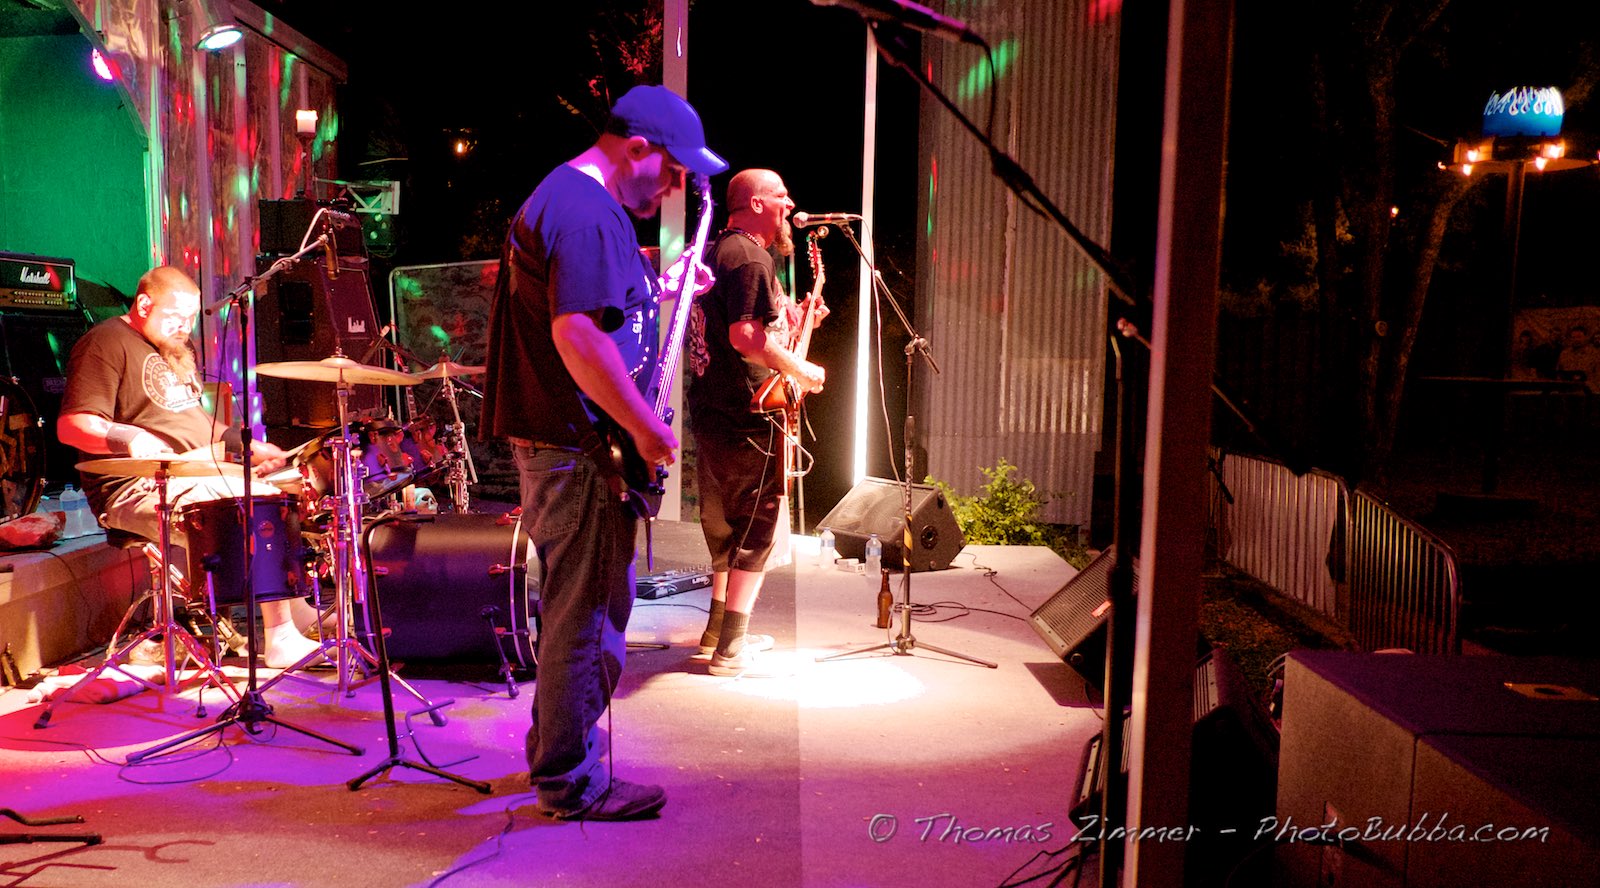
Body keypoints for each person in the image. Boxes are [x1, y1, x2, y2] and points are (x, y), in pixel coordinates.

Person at [483, 84, 725, 821]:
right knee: (586, 614)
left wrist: (663, 284)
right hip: (581, 448)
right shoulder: (586, 211)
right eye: (673, 171)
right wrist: (645, 428)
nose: (675, 186)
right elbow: (578, 334)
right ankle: (570, 781)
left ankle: (555, 756)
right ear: (637, 148)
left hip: (571, 444)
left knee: (578, 608)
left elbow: (604, 309)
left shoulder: (578, 204)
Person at [57, 265, 322, 669]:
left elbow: (199, 428)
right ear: (143, 304)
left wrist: (249, 447)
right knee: (254, 502)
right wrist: (131, 438)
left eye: (191, 318)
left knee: (284, 490)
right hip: (136, 486)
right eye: (175, 317)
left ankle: (296, 613)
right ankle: (281, 637)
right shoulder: (105, 343)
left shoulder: (174, 350)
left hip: (194, 470)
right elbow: (71, 426)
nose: (185, 327)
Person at [685, 169, 826, 676]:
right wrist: (802, 370)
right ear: (758, 203)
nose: (790, 204)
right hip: (747, 413)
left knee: (725, 527)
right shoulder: (749, 256)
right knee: (756, 529)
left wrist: (798, 321)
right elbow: (745, 337)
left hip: (712, 410)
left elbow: (741, 330)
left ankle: (716, 634)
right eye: (781, 196)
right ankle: (731, 650)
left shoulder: (718, 252)